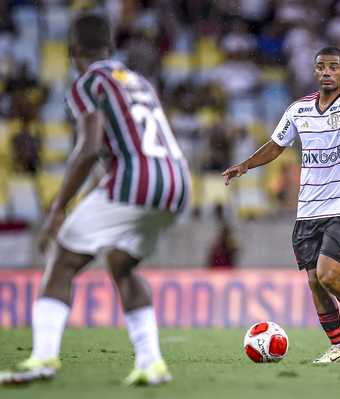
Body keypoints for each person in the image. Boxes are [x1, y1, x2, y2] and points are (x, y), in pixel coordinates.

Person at [1, 12, 190, 386]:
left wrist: (58, 209)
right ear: (110, 46)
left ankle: (42, 359)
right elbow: (119, 151)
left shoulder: (89, 82)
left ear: (74, 50)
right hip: (176, 183)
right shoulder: (139, 82)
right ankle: (151, 363)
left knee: (62, 261)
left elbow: (88, 150)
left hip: (136, 181)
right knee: (122, 264)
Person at [223, 46, 340, 363]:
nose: (327, 72)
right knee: (314, 282)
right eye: (322, 67)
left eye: (334, 67)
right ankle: (338, 347)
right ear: (315, 71)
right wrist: (245, 165)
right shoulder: (298, 111)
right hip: (306, 210)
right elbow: (277, 145)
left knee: (328, 276)